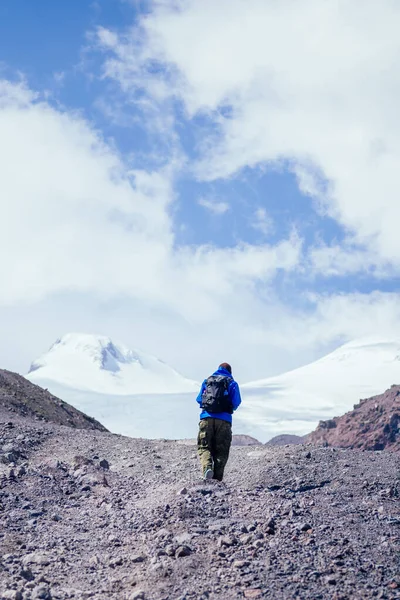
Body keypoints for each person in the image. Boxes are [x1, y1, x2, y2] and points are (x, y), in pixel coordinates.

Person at [196, 362, 242, 481]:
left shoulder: (207, 381)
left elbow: (199, 399)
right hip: (224, 420)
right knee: (221, 451)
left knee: (204, 447)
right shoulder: (232, 383)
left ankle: (207, 469)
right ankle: (217, 480)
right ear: (230, 372)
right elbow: (236, 401)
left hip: (206, 418)